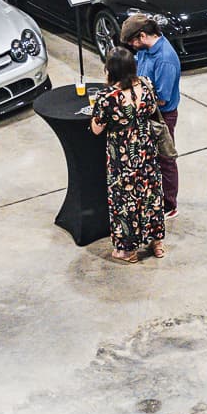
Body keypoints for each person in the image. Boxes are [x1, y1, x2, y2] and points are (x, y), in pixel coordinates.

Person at [89, 46, 167, 262]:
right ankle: (157, 243)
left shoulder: (107, 97)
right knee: (150, 195)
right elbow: (151, 110)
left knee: (126, 202)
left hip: (123, 159)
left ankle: (127, 250)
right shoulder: (145, 84)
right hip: (147, 150)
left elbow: (97, 129)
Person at [121, 14, 182, 218]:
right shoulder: (146, 51)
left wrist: (135, 100)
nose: (132, 46)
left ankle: (169, 204)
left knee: (165, 158)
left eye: (132, 42)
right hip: (146, 112)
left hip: (162, 117)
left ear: (143, 35)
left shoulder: (165, 59)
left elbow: (162, 99)